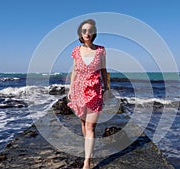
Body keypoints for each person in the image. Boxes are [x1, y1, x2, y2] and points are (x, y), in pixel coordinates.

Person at [67, 19, 109, 169]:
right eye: (84, 31)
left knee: (91, 126)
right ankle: (88, 149)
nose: (87, 33)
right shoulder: (76, 51)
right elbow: (74, 71)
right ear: (80, 33)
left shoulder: (101, 50)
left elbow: (104, 71)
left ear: (94, 33)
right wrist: (71, 89)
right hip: (79, 90)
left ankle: (87, 163)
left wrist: (107, 89)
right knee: (83, 123)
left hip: (95, 91)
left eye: (90, 30)